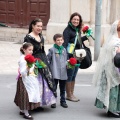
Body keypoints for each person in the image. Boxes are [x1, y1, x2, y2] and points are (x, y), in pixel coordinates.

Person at [24, 18, 56, 108]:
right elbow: (25, 52)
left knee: (47, 79)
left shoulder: (41, 36)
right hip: (33, 61)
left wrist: (46, 60)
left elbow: (43, 49)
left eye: (41, 26)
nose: (39, 28)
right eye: (38, 26)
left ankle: (44, 101)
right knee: (36, 82)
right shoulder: (28, 38)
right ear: (33, 26)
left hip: (43, 59)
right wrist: (31, 62)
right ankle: (35, 103)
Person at [93, 20, 120, 118]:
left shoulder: (116, 39)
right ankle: (111, 110)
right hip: (111, 69)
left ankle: (116, 108)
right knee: (112, 89)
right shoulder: (114, 40)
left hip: (115, 69)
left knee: (116, 89)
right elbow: (114, 54)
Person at [63, 12, 88, 102]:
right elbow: (65, 44)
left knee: (73, 75)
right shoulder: (67, 30)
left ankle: (71, 93)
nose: (76, 21)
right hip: (71, 57)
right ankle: (68, 95)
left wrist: (86, 37)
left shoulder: (77, 30)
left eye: (77, 20)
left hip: (77, 56)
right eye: (74, 19)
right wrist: (67, 58)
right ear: (71, 20)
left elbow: (78, 41)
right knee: (69, 75)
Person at [14, 42, 41, 119]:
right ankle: (26, 113)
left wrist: (34, 66)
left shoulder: (27, 57)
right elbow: (23, 72)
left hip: (30, 78)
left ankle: (22, 110)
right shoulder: (23, 59)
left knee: (27, 94)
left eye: (32, 50)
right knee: (26, 96)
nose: (31, 51)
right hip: (25, 80)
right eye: (29, 50)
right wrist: (28, 68)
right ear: (24, 50)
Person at [47, 33, 68, 108]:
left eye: (61, 40)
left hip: (63, 72)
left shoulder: (64, 50)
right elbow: (48, 59)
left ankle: (63, 101)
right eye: (58, 40)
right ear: (54, 41)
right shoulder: (52, 50)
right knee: (54, 87)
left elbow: (65, 59)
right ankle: (53, 101)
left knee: (63, 88)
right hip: (55, 72)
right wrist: (49, 68)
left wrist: (68, 64)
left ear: (63, 40)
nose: (59, 41)